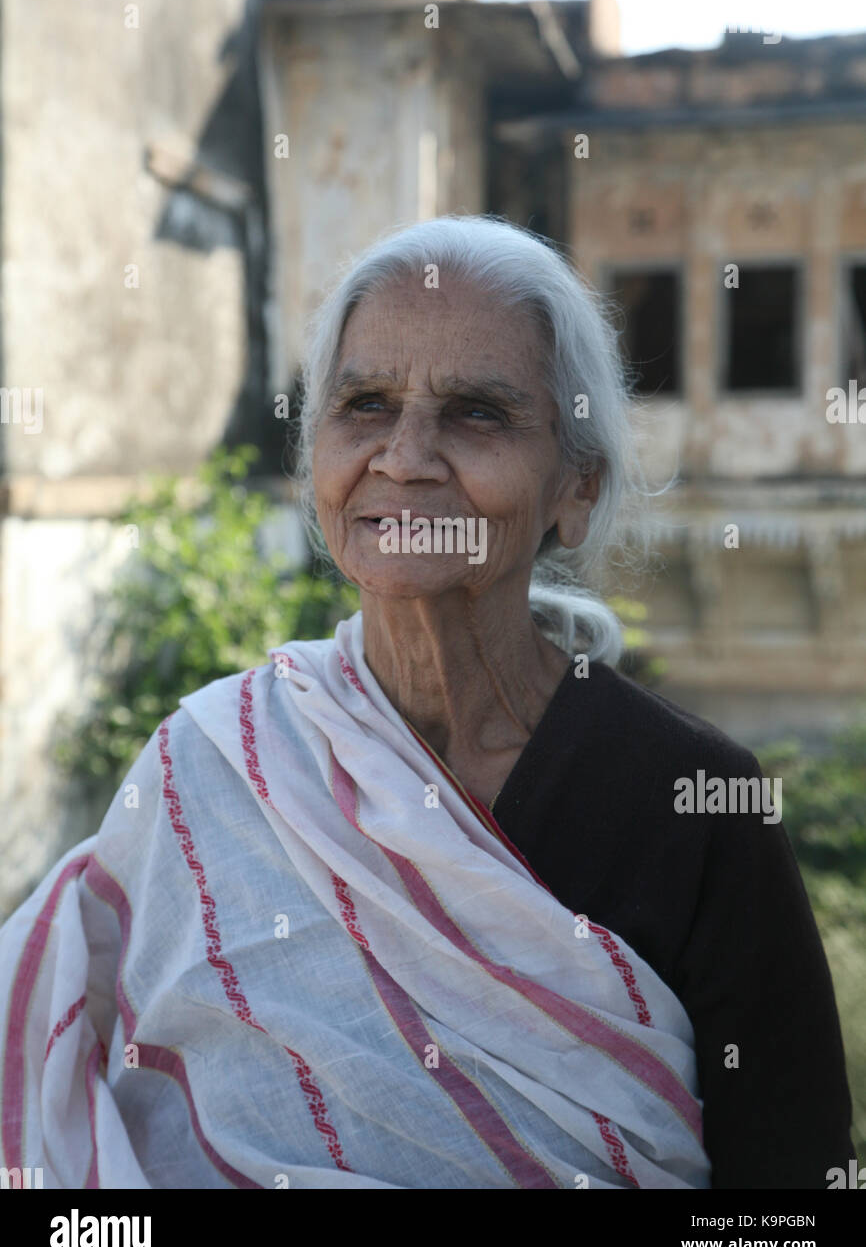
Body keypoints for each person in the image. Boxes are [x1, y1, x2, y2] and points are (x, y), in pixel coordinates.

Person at [0, 216, 853, 1189]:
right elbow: (49, 1062)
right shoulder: (211, 764)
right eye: (362, 403)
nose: (404, 457)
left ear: (575, 486)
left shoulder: (693, 801)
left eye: (476, 413)